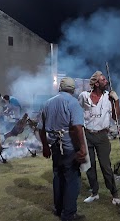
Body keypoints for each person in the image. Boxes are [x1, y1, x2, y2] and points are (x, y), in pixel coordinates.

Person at [37, 77, 87, 221]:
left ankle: (58, 209)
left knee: (58, 177)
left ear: (60, 88)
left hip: (55, 147)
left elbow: (41, 128)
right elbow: (78, 127)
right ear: (73, 90)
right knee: (72, 179)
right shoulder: (73, 103)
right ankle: (69, 214)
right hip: (69, 147)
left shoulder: (47, 103)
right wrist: (82, 148)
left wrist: (45, 146)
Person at [78, 70, 120, 205]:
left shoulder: (109, 97)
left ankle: (114, 194)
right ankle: (94, 193)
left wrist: (117, 101)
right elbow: (77, 113)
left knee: (105, 166)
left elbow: (116, 117)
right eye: (103, 80)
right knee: (89, 166)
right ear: (96, 83)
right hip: (87, 134)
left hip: (102, 135)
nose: (106, 81)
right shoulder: (84, 96)